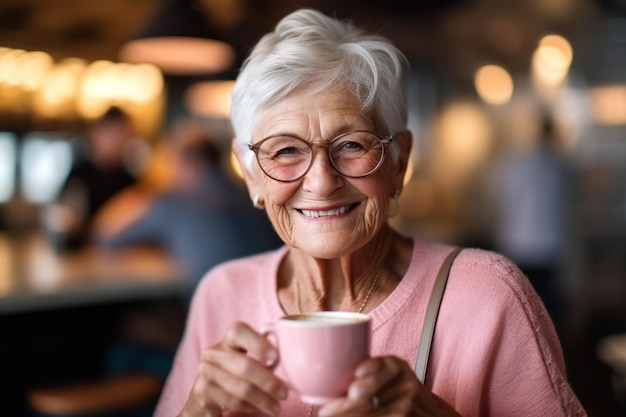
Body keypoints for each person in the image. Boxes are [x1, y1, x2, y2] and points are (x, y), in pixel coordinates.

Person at [155, 9, 586, 417]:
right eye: (285, 150)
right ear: (251, 176)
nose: (321, 182)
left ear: (400, 161)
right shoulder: (222, 294)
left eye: (352, 145)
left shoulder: (487, 296)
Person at [93, 117, 282, 300]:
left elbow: (105, 235)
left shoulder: (173, 204)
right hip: (266, 313)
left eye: (169, 160)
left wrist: (149, 188)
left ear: (189, 164)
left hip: (212, 321)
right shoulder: (252, 197)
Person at [489, 113, 572, 328]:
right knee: (546, 313)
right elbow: (566, 208)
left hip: (517, 243)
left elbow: (502, 202)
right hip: (547, 246)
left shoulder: (517, 164)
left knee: (522, 310)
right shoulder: (559, 167)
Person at [43, 106, 138, 249]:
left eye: (126, 136)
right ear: (97, 133)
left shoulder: (130, 181)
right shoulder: (79, 176)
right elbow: (59, 220)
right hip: (82, 259)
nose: (122, 142)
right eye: (116, 134)